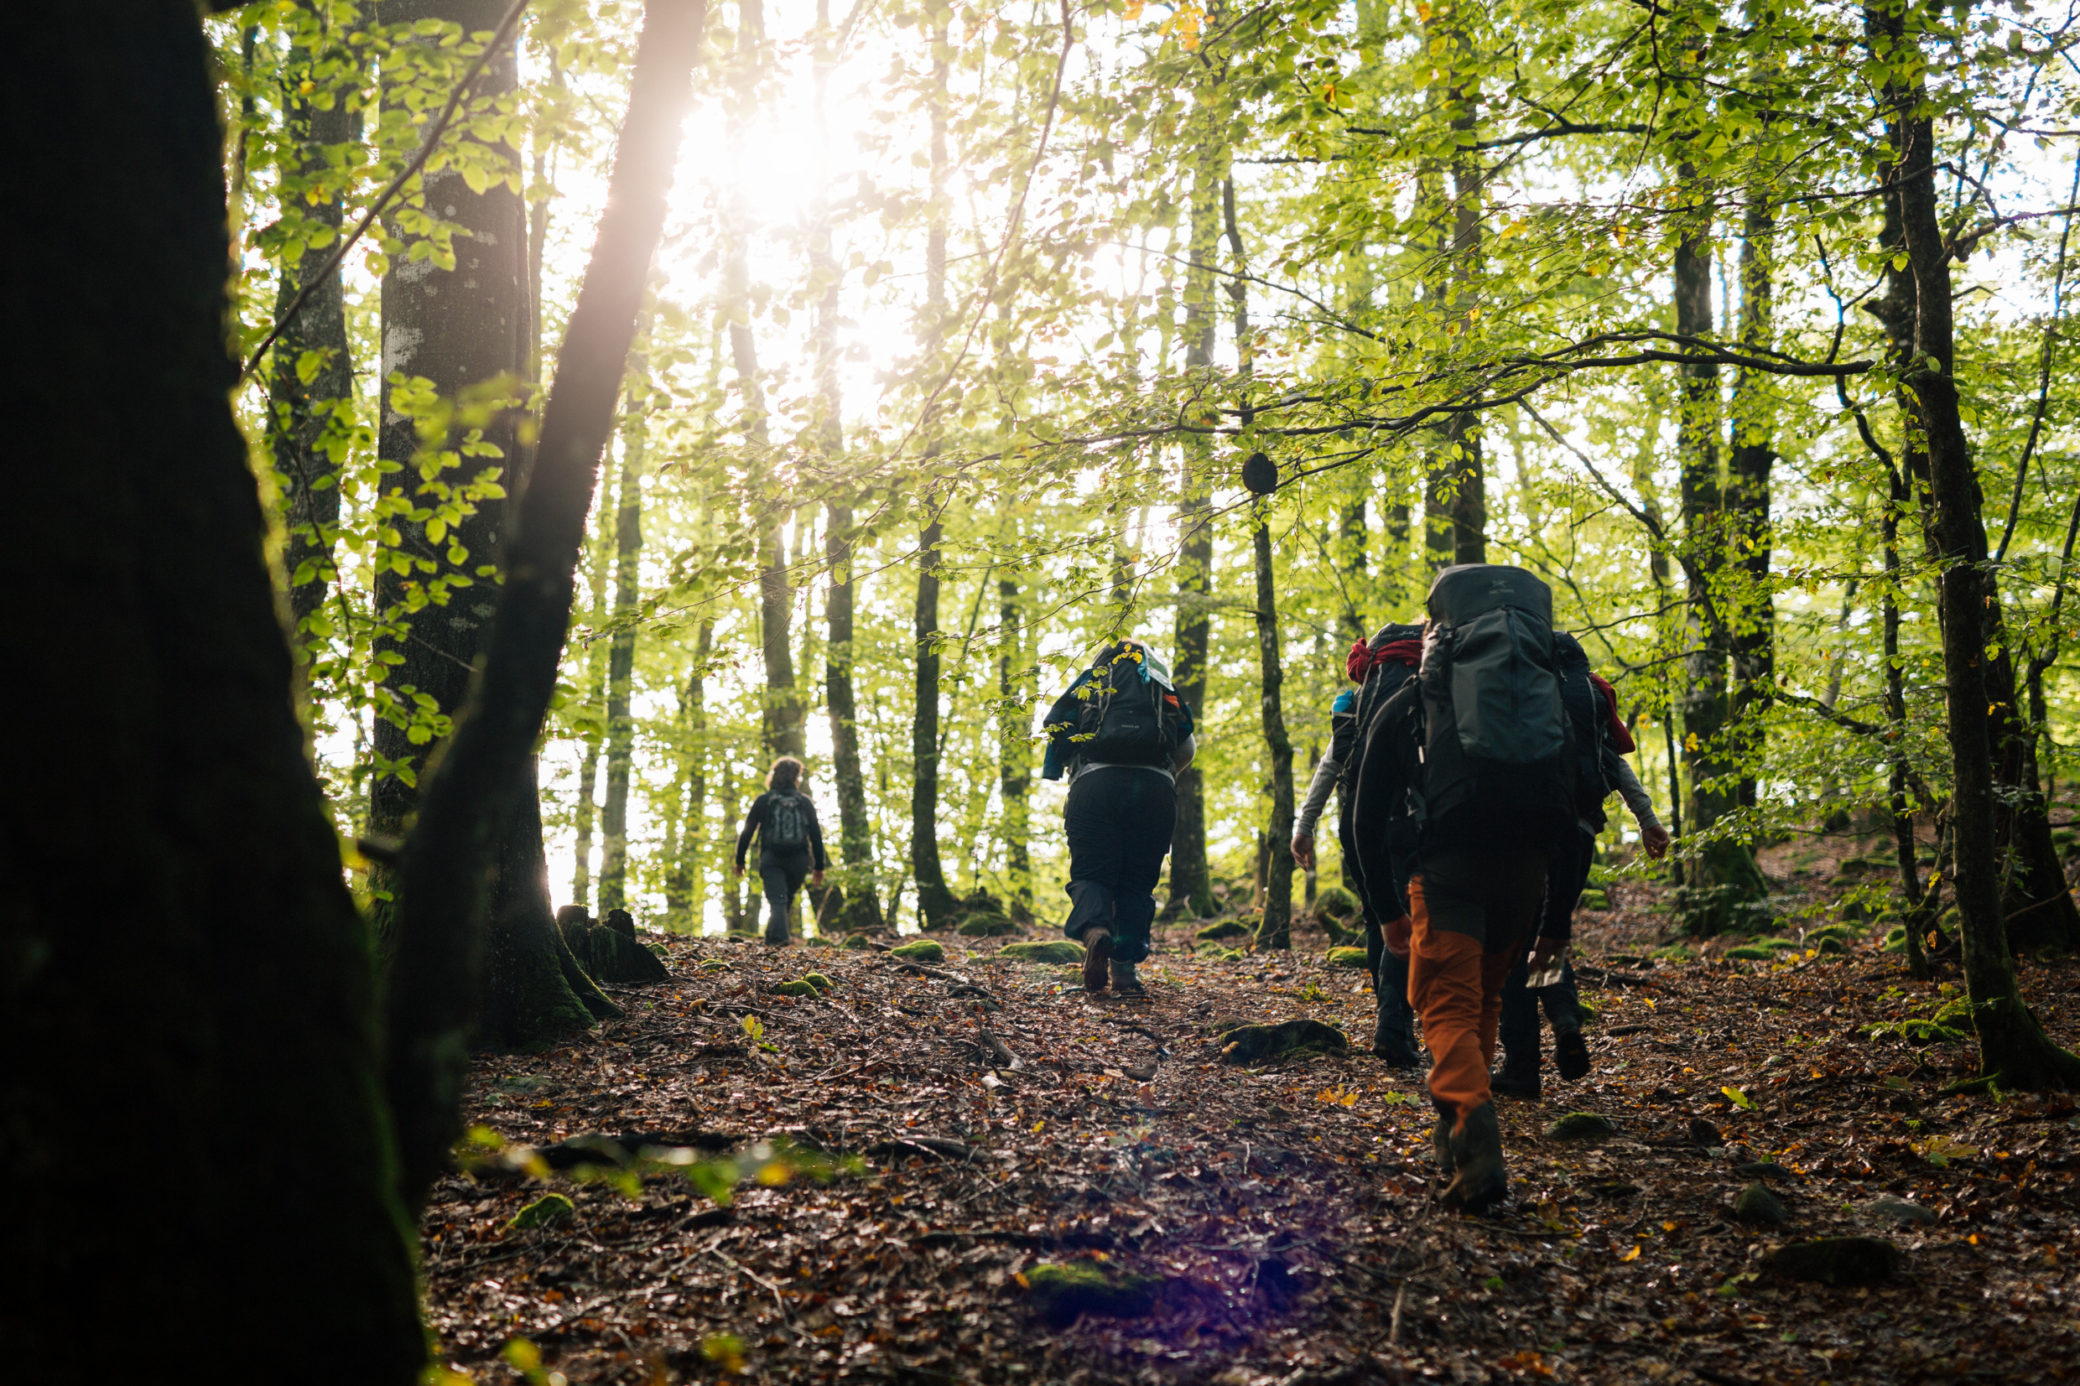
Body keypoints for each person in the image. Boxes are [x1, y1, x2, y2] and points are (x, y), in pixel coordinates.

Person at [1351, 565, 1579, 1212]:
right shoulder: (1557, 696)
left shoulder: (1418, 696)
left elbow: (1365, 815)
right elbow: (1577, 818)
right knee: (1477, 1000)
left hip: (1449, 872)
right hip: (1526, 879)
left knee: (1444, 1005)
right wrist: (1556, 919)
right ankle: (1454, 1135)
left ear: (1439, 628)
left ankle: (1476, 1143)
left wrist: (1386, 910)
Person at [1492, 634, 1672, 1099]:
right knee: (1551, 934)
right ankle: (1566, 1020)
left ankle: (1522, 1069)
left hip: (1528, 838)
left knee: (1517, 947)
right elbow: (1615, 766)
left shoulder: (1527, 694)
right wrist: (1648, 822)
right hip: (1580, 835)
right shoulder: (1589, 695)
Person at [1292, 621, 1425, 1066]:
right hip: (1406, 820)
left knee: (1378, 917)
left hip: (1356, 823)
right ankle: (1394, 1028)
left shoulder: (1356, 704)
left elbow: (1329, 767)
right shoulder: (1423, 692)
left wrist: (1303, 826)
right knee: (1403, 918)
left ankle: (1392, 1024)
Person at [1040, 638, 1197, 996]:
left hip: (1095, 787)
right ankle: (1125, 975)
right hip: (1154, 790)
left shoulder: (1092, 680)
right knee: (1137, 882)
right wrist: (1165, 775)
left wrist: (1063, 767)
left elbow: (1055, 726)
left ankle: (1095, 931)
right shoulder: (1160, 684)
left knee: (1091, 873)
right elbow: (1187, 746)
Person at [733, 756, 829, 946]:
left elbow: (747, 831)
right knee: (784, 900)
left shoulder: (765, 800)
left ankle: (779, 941)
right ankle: (773, 940)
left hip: (772, 858)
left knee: (777, 900)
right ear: (796, 778)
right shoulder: (804, 802)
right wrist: (819, 866)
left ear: (774, 775)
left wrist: (739, 859)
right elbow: (816, 836)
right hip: (799, 860)